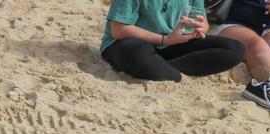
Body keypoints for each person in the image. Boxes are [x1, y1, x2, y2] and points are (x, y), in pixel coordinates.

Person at [100, 0, 245, 82]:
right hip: (128, 43)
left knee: (235, 49)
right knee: (136, 50)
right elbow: (119, 30)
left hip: (172, 43)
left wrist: (201, 26)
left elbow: (204, 23)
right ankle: (177, 77)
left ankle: (158, 68)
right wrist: (165, 40)